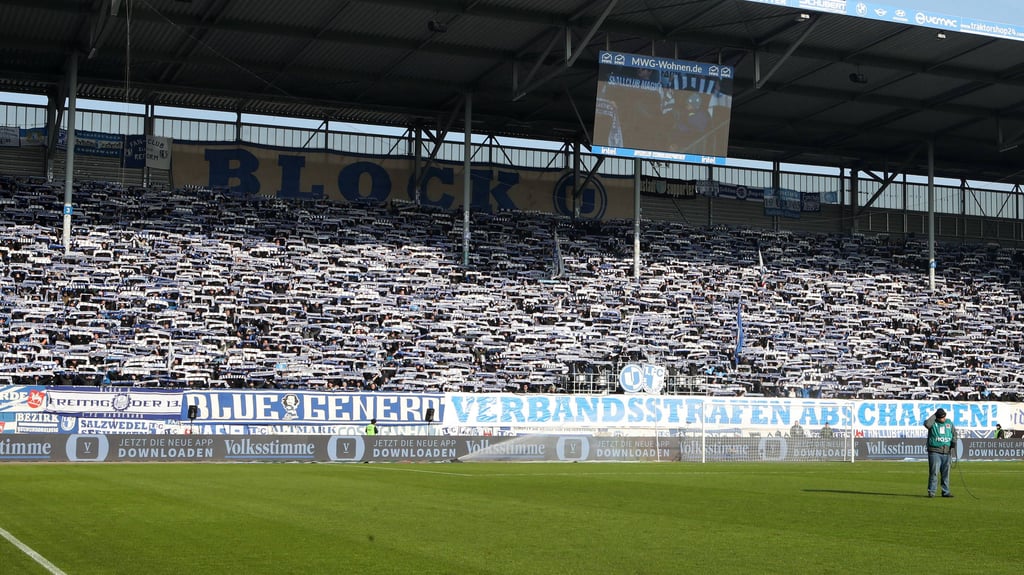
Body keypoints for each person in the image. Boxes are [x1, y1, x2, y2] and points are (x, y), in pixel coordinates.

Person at [924, 408, 957, 498]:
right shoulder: (932, 423)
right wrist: (935, 415)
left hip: (947, 451)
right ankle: (932, 491)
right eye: (941, 417)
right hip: (935, 451)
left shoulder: (949, 423)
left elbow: (954, 433)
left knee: (946, 474)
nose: (943, 419)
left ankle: (945, 492)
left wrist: (954, 441)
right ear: (937, 417)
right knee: (934, 473)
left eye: (944, 417)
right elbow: (927, 424)